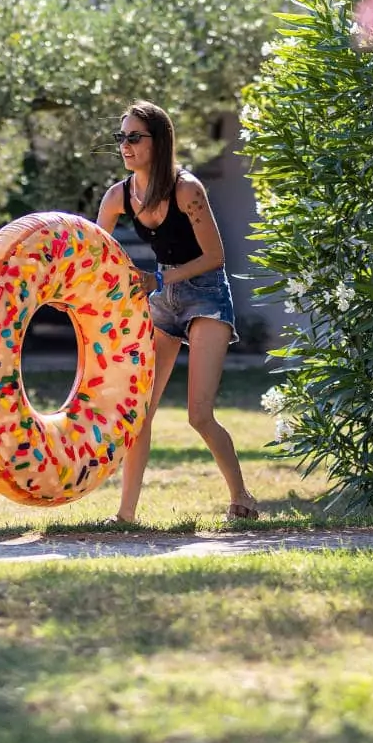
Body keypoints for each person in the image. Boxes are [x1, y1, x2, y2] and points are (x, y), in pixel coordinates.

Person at [97, 101, 260, 523]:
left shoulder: (187, 189)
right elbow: (95, 253)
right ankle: (126, 515)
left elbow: (216, 256)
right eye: (122, 138)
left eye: (135, 137)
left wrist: (158, 280)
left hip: (205, 295)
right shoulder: (118, 196)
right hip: (161, 300)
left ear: (159, 141)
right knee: (140, 412)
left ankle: (241, 496)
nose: (126, 146)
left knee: (198, 415)